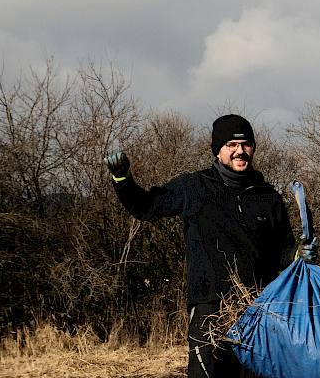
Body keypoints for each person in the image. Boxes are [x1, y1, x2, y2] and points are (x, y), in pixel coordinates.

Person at [105, 114, 302, 378]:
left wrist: (300, 254)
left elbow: (283, 252)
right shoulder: (193, 187)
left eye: (245, 144)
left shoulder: (268, 197)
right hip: (210, 310)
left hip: (258, 311)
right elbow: (147, 206)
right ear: (218, 149)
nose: (239, 151)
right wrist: (123, 180)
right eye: (231, 144)